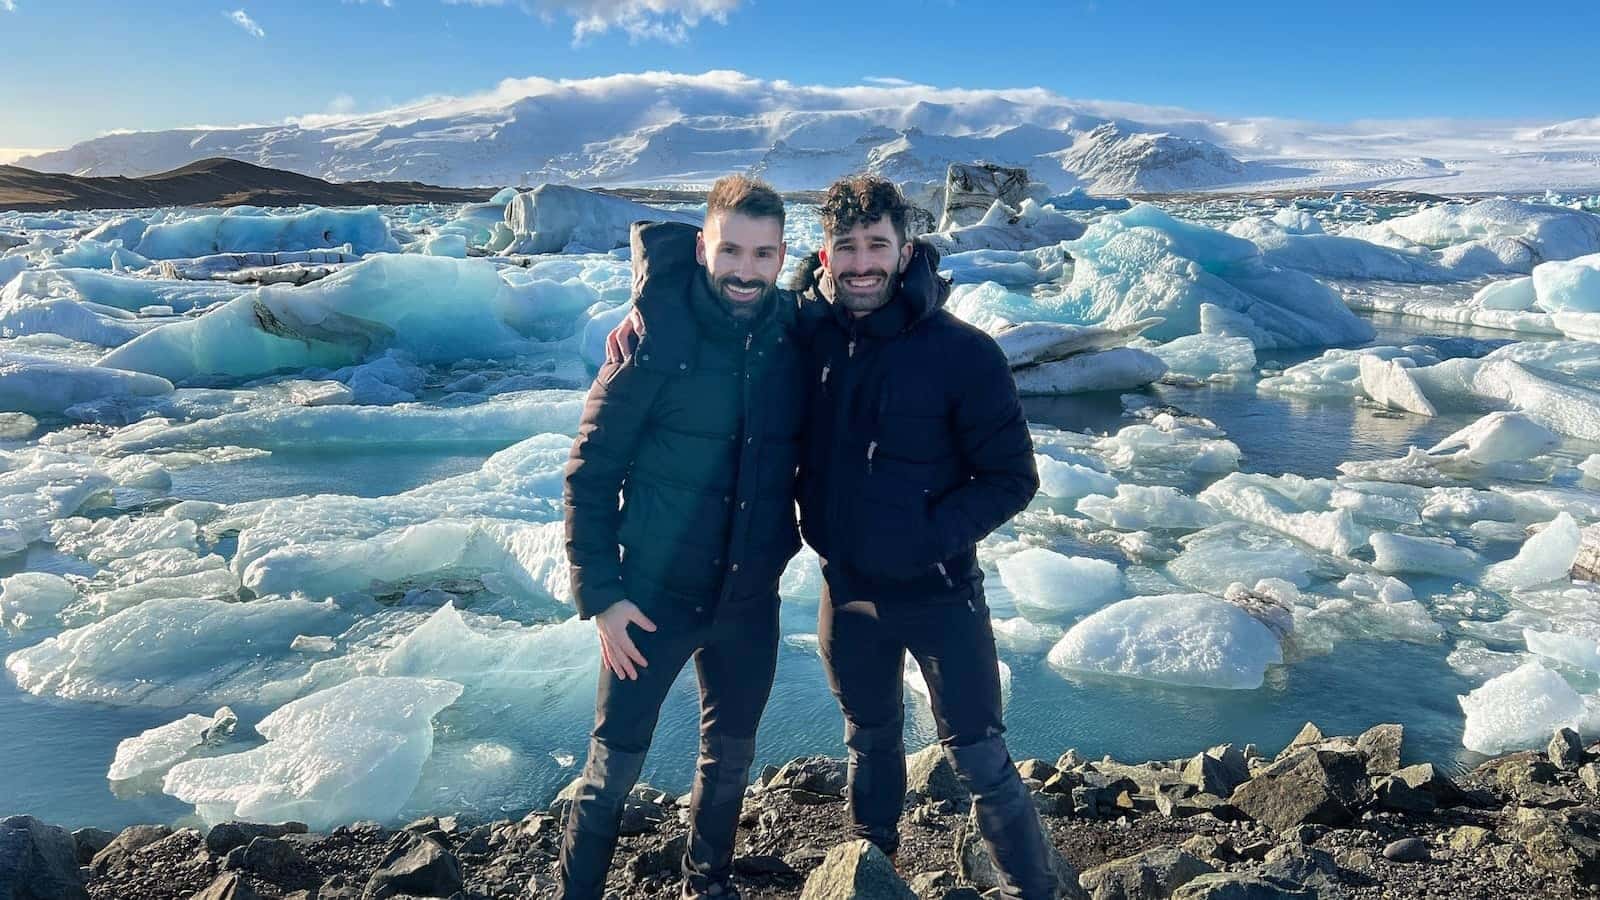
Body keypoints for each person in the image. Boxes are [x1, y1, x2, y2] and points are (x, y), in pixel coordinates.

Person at [609, 175, 1057, 898]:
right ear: (823, 252)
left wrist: (921, 538)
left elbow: (1012, 478)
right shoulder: (802, 328)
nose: (860, 264)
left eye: (876, 245)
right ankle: (869, 871)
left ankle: (1038, 888)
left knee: (980, 757)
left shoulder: (963, 354)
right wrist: (643, 319)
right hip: (845, 591)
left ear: (906, 250)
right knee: (870, 738)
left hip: (940, 594)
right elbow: (716, 303)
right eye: (845, 247)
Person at [558, 174, 806, 900]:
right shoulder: (652, 336)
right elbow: (590, 471)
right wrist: (601, 595)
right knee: (613, 767)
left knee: (729, 759)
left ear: (782, 255)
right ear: (703, 246)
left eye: (763, 255)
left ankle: (709, 883)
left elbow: (867, 304)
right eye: (731, 250)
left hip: (748, 599)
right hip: (651, 598)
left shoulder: (792, 331)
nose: (745, 270)